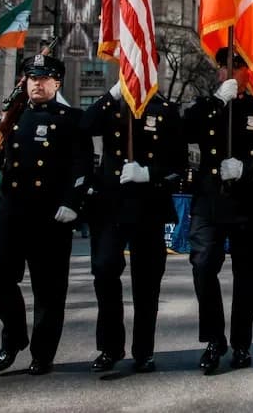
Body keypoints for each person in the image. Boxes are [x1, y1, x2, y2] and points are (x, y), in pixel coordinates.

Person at [0, 54, 93, 375]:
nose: (37, 84)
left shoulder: (71, 118)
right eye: (32, 78)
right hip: (12, 210)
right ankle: (13, 337)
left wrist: (73, 201)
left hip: (50, 214)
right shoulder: (12, 117)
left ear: (57, 83)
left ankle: (43, 353)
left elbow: (82, 165)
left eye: (44, 78)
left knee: (49, 289)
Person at [184, 47, 253, 374]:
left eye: (235, 66)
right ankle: (215, 340)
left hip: (248, 204)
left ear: (248, 71)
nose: (227, 72)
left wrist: (247, 168)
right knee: (202, 266)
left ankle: (241, 343)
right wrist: (217, 102)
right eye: (223, 67)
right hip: (210, 203)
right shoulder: (206, 106)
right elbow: (185, 130)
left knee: (246, 279)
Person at [79, 81, 186, 373]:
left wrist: (149, 173)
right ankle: (110, 347)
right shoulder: (111, 105)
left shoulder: (165, 111)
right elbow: (84, 126)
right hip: (110, 206)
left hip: (149, 206)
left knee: (147, 283)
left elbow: (179, 165)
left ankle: (144, 351)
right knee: (104, 271)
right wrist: (112, 93)